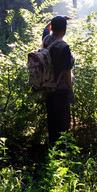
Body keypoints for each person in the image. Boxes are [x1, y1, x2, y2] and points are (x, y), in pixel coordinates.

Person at [42, 16, 76, 145]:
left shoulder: (46, 39)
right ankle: (62, 150)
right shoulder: (63, 47)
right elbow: (67, 71)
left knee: (52, 118)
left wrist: (54, 21)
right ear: (65, 29)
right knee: (63, 120)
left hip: (48, 86)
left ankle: (52, 147)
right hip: (61, 89)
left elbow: (46, 29)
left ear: (52, 27)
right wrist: (70, 91)